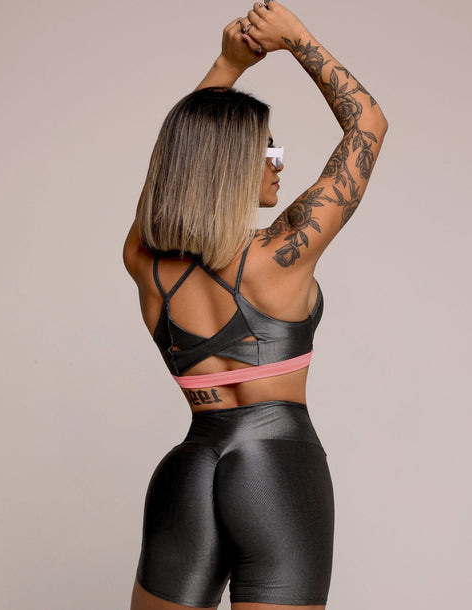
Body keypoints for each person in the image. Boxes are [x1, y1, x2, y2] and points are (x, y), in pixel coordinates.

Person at [123, 1, 388, 608]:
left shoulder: (144, 260)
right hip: (277, 468)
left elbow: (173, 166)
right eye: (267, 147)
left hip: (188, 470)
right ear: (231, 162)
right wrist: (296, 38)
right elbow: (368, 125)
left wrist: (228, 64)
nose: (279, 161)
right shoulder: (281, 255)